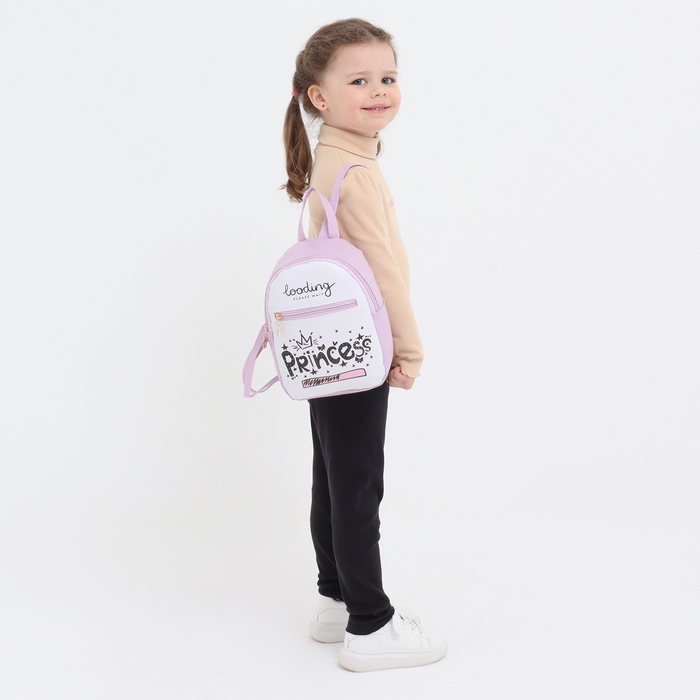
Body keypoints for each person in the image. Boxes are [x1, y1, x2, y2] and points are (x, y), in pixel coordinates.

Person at [282, 18, 447, 672]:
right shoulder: (355, 170)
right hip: (359, 344)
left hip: (329, 345)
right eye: (359, 81)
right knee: (356, 487)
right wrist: (409, 347)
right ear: (320, 97)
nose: (379, 90)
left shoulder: (336, 157)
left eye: (388, 77)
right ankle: (371, 625)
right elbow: (382, 269)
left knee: (333, 476)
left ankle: (335, 599)